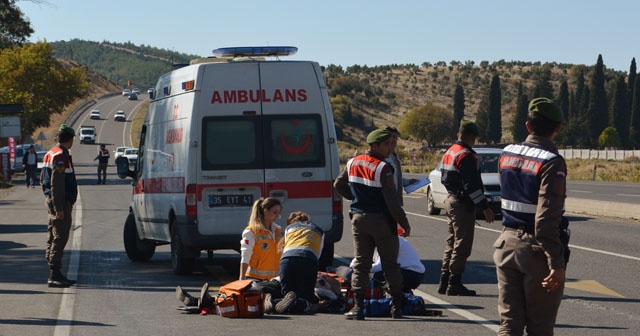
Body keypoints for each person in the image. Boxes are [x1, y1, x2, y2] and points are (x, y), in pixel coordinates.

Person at [493, 97, 568, 335]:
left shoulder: (506, 153)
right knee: (540, 327)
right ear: (558, 128)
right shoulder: (552, 162)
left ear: (527, 125)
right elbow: (545, 220)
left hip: (505, 244)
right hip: (535, 250)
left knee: (509, 323)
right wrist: (555, 262)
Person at [334, 128, 411, 320]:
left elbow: (338, 184)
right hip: (382, 221)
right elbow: (392, 201)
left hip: (359, 219)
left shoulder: (352, 162)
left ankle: (359, 307)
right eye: (385, 145)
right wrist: (403, 222)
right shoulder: (383, 168)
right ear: (374, 146)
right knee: (390, 265)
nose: (389, 149)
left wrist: (356, 198)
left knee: (361, 264)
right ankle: (396, 307)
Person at [437, 119, 495, 296]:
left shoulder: (451, 151)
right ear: (473, 137)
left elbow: (444, 177)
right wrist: (484, 207)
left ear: (459, 134)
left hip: (451, 199)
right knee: (462, 245)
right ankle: (454, 283)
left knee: (452, 242)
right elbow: (471, 186)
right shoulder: (466, 155)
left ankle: (444, 280)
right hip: (462, 203)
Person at [264, 211, 325, 314]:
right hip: (307, 260)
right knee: (306, 299)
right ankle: (298, 303)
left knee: (287, 294)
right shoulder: (319, 230)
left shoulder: (289, 228)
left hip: (286, 261)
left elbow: (285, 247)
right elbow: (318, 253)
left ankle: (272, 302)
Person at [40, 124, 78, 288]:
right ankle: (54, 274)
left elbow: (43, 180)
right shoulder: (61, 156)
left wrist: (48, 198)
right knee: (60, 236)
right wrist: (59, 208)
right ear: (70, 139)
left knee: (53, 234)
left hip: (53, 200)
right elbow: (57, 183)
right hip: (60, 202)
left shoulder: (50, 153)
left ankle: (55, 272)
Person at [239, 197, 284, 281]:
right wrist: (242, 278)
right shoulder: (251, 232)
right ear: (265, 211)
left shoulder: (278, 231)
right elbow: (245, 256)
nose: (277, 216)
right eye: (274, 212)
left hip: (276, 279)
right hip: (256, 279)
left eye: (279, 213)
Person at [384, 127, 417, 206]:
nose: (394, 141)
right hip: (386, 201)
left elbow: (394, 178)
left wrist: (408, 182)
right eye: (392, 137)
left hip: (395, 200)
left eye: (396, 138)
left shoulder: (394, 156)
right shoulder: (382, 156)